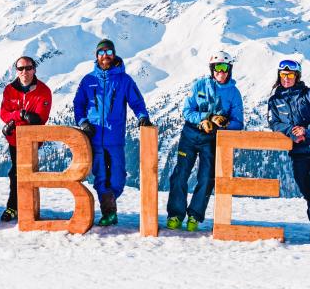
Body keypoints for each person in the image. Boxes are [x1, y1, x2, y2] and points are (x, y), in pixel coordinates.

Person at [73, 39, 151, 226]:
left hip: (115, 138)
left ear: (114, 54)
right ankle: (109, 212)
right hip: (93, 137)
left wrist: (142, 116)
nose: (105, 56)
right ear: (96, 56)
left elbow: (137, 102)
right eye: (101, 53)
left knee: (118, 177)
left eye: (108, 52)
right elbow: (78, 104)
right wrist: (83, 122)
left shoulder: (124, 80)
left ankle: (110, 199)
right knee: (100, 176)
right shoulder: (88, 80)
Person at [165, 51, 244, 231]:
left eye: (224, 68)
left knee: (206, 178)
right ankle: (175, 215)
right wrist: (205, 118)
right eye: (217, 68)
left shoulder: (234, 93)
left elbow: (238, 122)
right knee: (180, 174)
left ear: (230, 69)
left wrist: (222, 123)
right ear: (212, 69)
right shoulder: (199, 85)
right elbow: (187, 111)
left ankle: (194, 216)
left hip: (212, 139)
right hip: (190, 135)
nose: (221, 72)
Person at [267, 59, 310, 247]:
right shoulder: (275, 101)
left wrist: (307, 130)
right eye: (283, 75)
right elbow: (274, 123)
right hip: (297, 153)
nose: (286, 78)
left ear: (297, 76)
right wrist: (292, 132)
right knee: (307, 192)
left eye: (290, 75)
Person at [0, 56, 52, 222]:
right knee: (15, 173)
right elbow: (3, 113)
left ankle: (23, 207)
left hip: (32, 140)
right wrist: (20, 115)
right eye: (20, 68)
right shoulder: (9, 90)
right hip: (14, 140)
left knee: (24, 173)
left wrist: (14, 120)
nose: (24, 72)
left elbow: (38, 118)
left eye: (28, 68)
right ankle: (15, 207)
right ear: (16, 71)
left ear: (34, 69)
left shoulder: (43, 91)